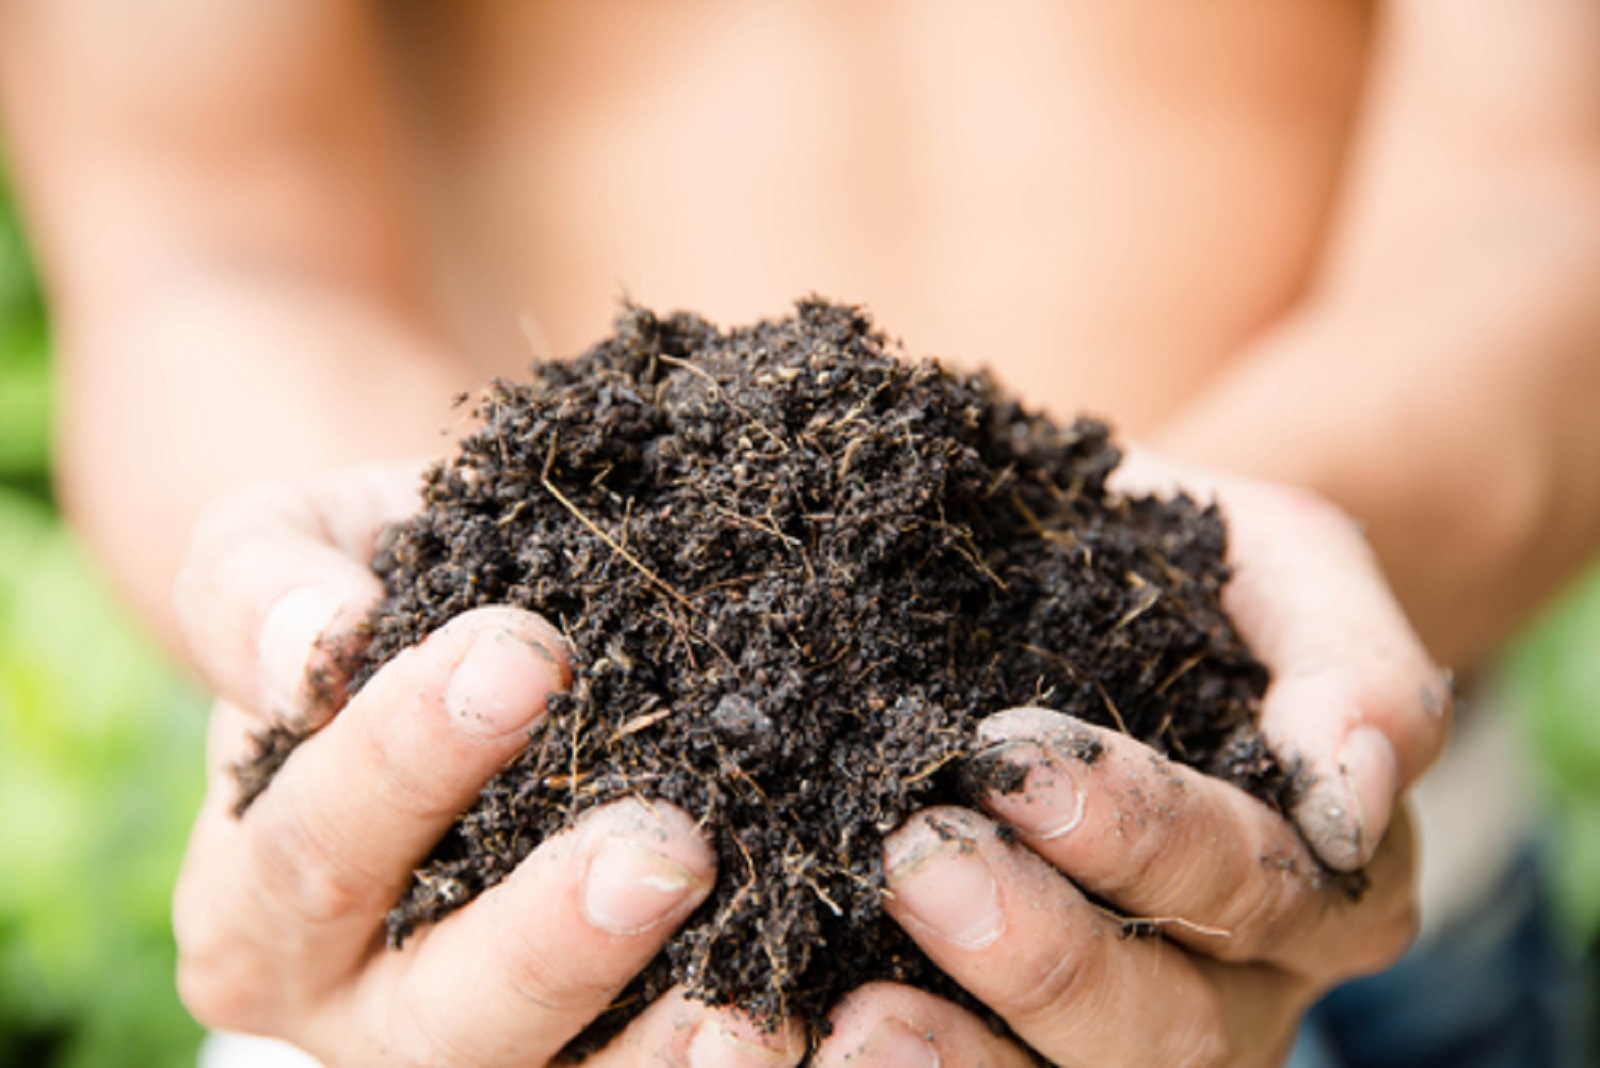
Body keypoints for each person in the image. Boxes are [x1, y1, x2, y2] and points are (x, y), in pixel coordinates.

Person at [2, 2, 1598, 1065]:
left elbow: (1546, 197)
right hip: (488, 953)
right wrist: (349, 632)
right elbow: (200, 234)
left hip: (1289, 874)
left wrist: (1228, 595)